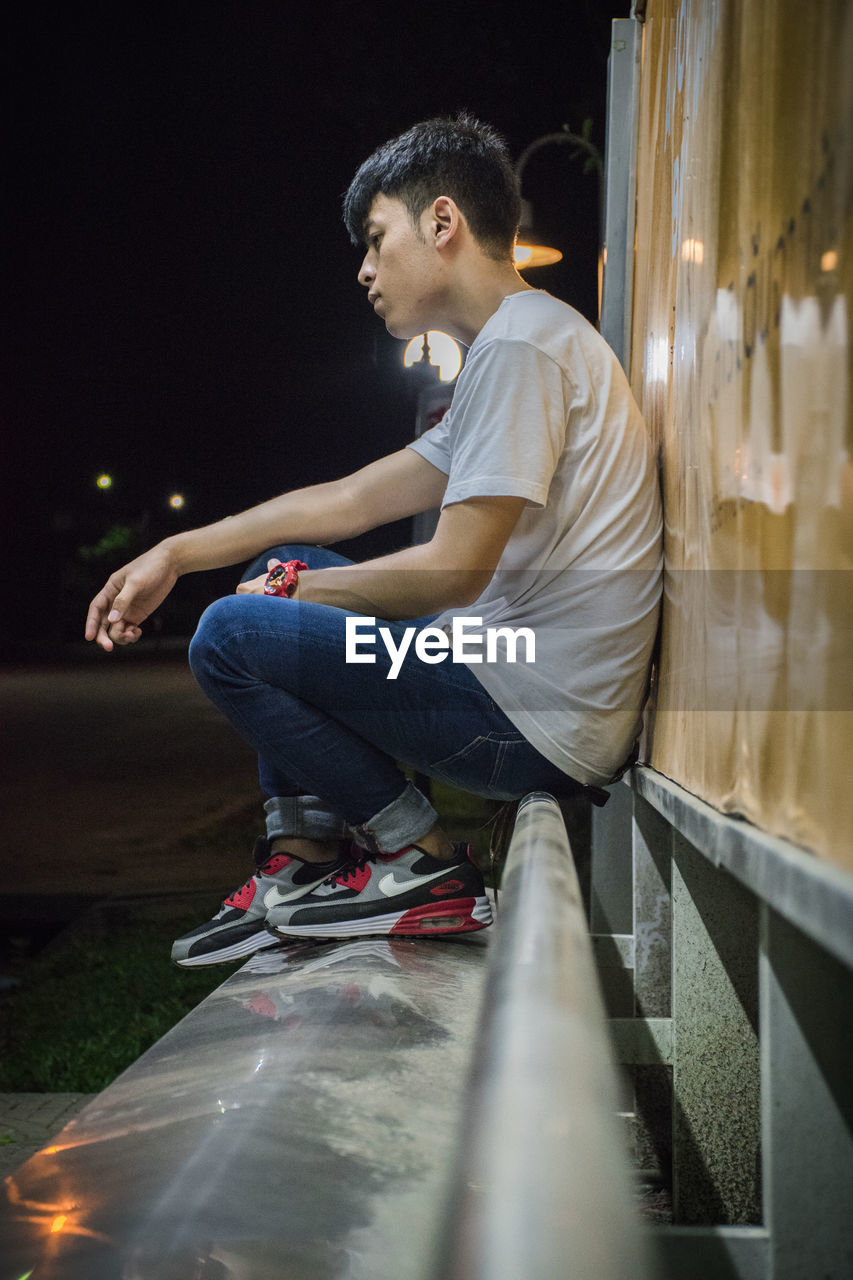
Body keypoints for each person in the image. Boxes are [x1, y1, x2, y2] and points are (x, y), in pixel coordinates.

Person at [85, 114, 662, 965]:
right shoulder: (521, 345)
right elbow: (352, 499)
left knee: (231, 637)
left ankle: (419, 858)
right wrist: (178, 551)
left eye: (375, 238)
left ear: (442, 223)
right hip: (520, 691)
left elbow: (452, 572)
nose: (363, 268)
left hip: (530, 721)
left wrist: (286, 598)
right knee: (283, 567)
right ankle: (306, 858)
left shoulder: (521, 352)